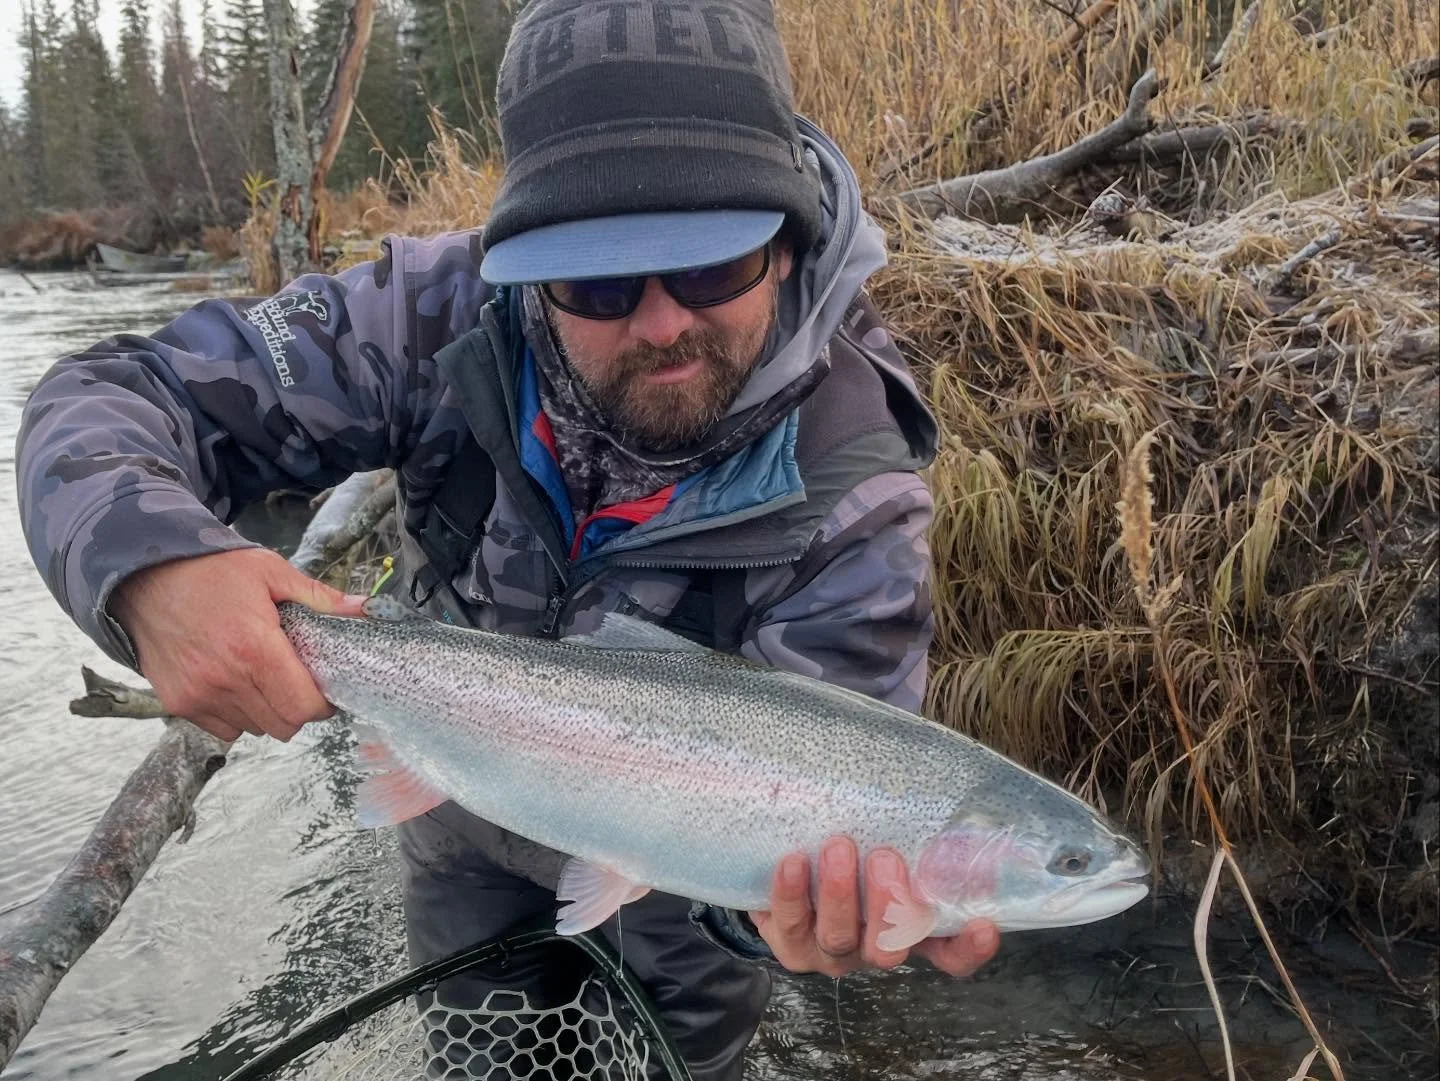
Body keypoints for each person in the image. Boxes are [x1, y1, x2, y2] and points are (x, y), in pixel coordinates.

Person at [16, 0, 999, 1075]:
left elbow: (830, 803)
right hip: (460, 805)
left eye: (713, 265)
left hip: (682, 882)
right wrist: (154, 568)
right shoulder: (426, 317)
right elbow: (110, 394)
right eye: (602, 279)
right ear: (528, 262)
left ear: (787, 235)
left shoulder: (858, 487)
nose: (663, 321)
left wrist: (782, 914)